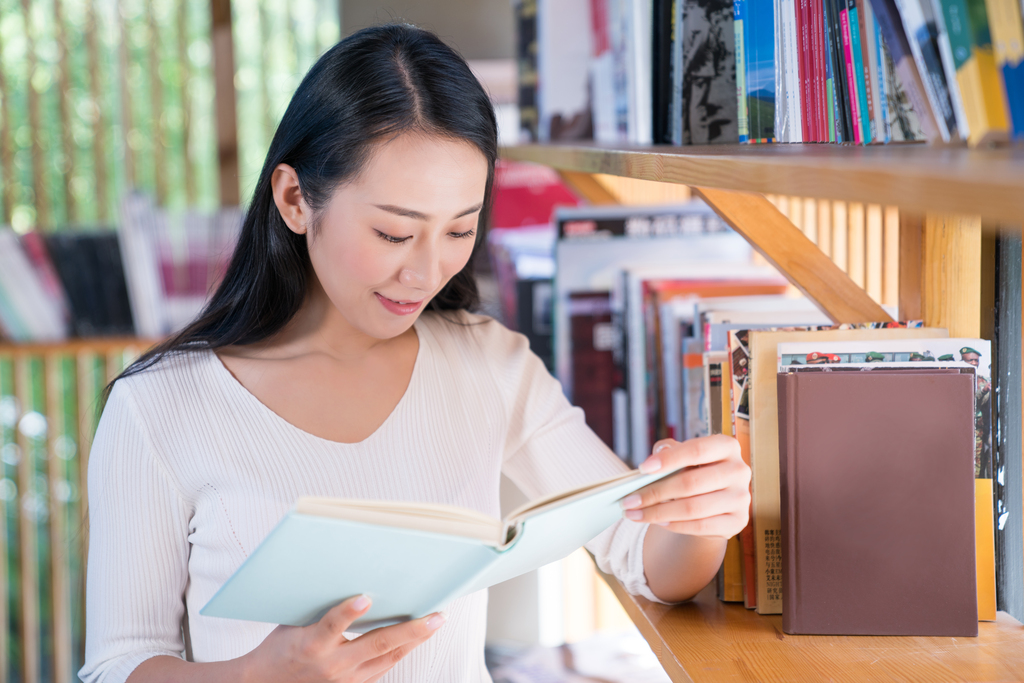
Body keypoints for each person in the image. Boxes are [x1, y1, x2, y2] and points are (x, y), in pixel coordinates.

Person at [79, 24, 750, 683]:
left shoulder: (489, 363)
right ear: (294, 199)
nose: (426, 272)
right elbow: (116, 665)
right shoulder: (160, 405)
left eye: (459, 229)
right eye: (394, 233)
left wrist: (701, 513)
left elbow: (644, 558)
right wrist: (258, 674)